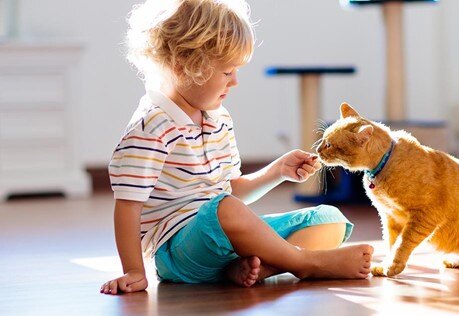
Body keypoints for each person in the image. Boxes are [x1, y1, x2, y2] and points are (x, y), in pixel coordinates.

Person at [100, 0, 373, 295]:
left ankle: (257, 268)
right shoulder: (151, 125)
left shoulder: (219, 119)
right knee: (227, 209)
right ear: (185, 67)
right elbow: (128, 206)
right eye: (228, 72)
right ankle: (306, 263)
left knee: (327, 218)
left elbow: (231, 190)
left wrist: (278, 171)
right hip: (179, 253)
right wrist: (134, 271)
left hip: (225, 239)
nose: (236, 82)